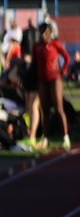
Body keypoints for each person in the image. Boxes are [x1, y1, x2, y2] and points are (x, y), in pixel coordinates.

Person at [35, 20, 69, 149]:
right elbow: (34, 63)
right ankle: (46, 137)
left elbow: (67, 58)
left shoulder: (55, 44)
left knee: (59, 108)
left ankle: (66, 137)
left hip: (55, 79)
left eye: (45, 31)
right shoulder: (37, 46)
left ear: (50, 32)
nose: (42, 34)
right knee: (45, 110)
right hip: (42, 80)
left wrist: (63, 71)